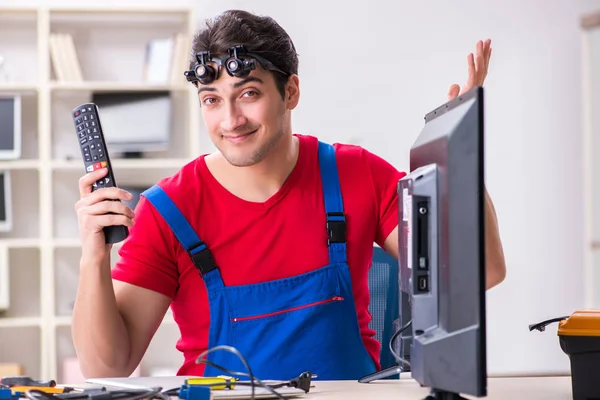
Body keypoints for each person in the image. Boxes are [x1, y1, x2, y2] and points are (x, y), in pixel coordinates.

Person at [71, 9, 506, 381]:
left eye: (249, 94)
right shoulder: (168, 210)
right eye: (211, 100)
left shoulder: (355, 174)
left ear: (291, 92)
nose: (231, 119)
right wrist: (93, 257)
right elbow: (107, 368)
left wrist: (463, 152)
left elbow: (477, 274)